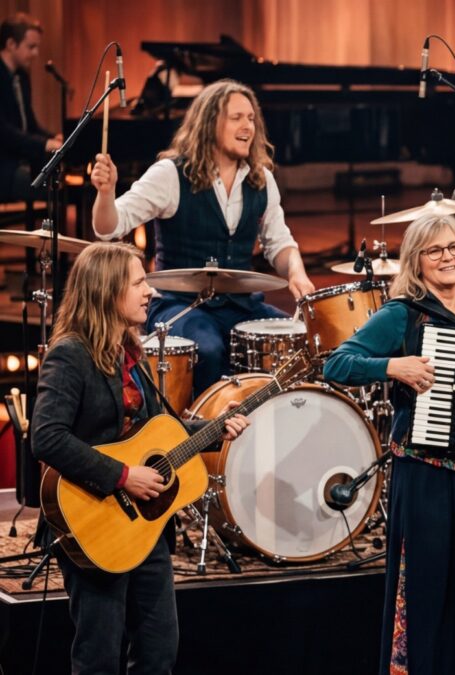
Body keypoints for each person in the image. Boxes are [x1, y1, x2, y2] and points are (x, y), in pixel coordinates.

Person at [32, 242, 248, 674]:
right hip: (93, 522)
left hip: (145, 526)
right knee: (98, 658)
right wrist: (122, 476)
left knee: (158, 653)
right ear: (106, 290)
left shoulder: (132, 355)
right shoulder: (70, 354)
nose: (150, 292)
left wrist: (214, 429)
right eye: (138, 283)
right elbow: (47, 437)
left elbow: (157, 435)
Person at [323, 214, 455, 675]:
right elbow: (336, 364)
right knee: (429, 593)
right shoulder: (403, 315)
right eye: (435, 250)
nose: (448, 257)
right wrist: (393, 367)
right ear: (416, 261)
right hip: (428, 477)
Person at [92, 79, 315, 395]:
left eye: (251, 118)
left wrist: (297, 273)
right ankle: (206, 424)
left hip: (240, 305)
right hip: (177, 305)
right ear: (210, 123)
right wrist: (106, 193)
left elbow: (279, 243)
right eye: (236, 118)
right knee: (207, 349)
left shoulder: (261, 179)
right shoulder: (170, 174)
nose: (248, 126)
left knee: (299, 340)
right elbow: (108, 227)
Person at [0, 12, 61, 201]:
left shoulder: (22, 76)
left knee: (58, 183)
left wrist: (53, 138)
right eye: (31, 47)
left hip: (19, 160)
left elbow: (30, 126)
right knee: (51, 190)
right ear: (11, 44)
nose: (36, 53)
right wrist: (44, 144)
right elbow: (3, 132)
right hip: (4, 165)